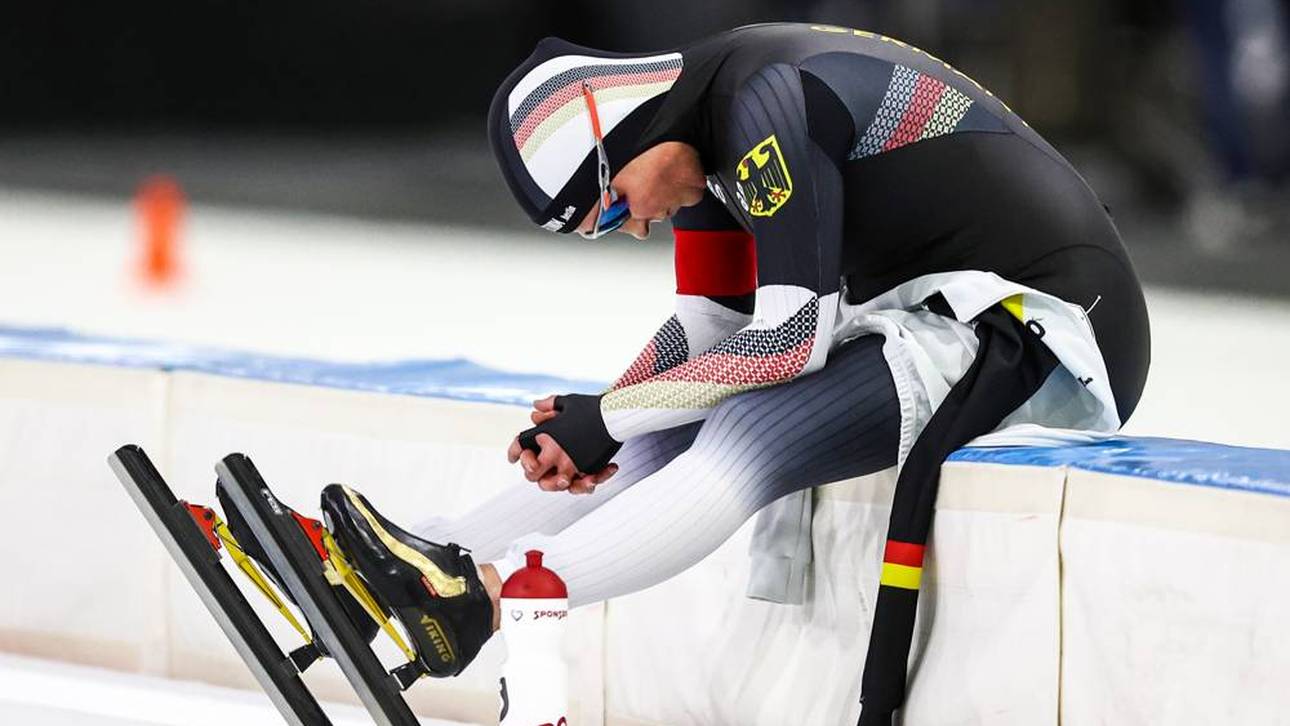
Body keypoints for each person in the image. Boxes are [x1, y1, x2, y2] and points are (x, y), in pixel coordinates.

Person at [321, 22, 1150, 724]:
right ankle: (434, 562)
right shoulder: (705, 131)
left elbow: (789, 338)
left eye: (611, 208)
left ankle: (484, 600)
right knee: (682, 415)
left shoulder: (765, 104)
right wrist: (604, 416)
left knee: (744, 427)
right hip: (950, 305)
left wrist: (606, 417)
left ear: (625, 135)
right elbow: (709, 329)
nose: (636, 230)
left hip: (1052, 323)